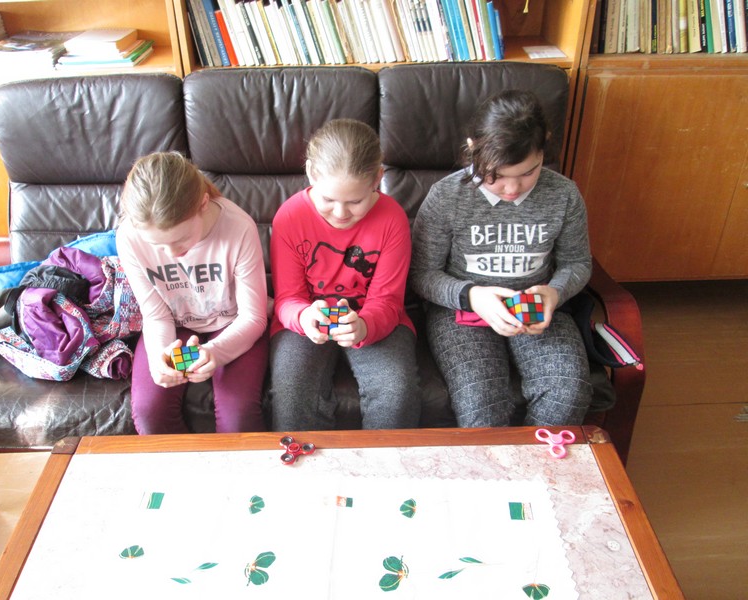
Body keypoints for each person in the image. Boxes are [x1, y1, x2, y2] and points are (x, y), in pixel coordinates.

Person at [410, 90, 593, 427]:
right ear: (473, 149)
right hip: (462, 312)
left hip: (536, 307)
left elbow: (577, 263)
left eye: (527, 173)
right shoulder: (447, 196)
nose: (512, 189)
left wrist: (554, 293)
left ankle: (537, 458)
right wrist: (472, 296)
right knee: (481, 402)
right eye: (496, 175)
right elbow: (422, 273)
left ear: (544, 149)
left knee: (568, 391)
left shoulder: (564, 195)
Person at [269, 118, 420, 430]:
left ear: (378, 178)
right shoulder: (290, 217)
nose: (340, 213)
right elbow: (287, 299)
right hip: (307, 320)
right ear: (311, 173)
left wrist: (363, 326)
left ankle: (385, 461)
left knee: (396, 394)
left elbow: (388, 301)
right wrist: (303, 316)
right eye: (328, 200)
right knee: (292, 394)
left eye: (355, 201)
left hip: (374, 317)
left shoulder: (392, 219)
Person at [116, 151, 268, 434]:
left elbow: (254, 317)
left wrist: (215, 352)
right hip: (175, 326)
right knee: (149, 412)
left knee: (238, 416)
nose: (172, 253)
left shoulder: (239, 227)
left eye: (182, 239)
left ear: (203, 204)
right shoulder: (128, 237)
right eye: (158, 246)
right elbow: (156, 316)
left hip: (234, 322)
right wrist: (159, 359)